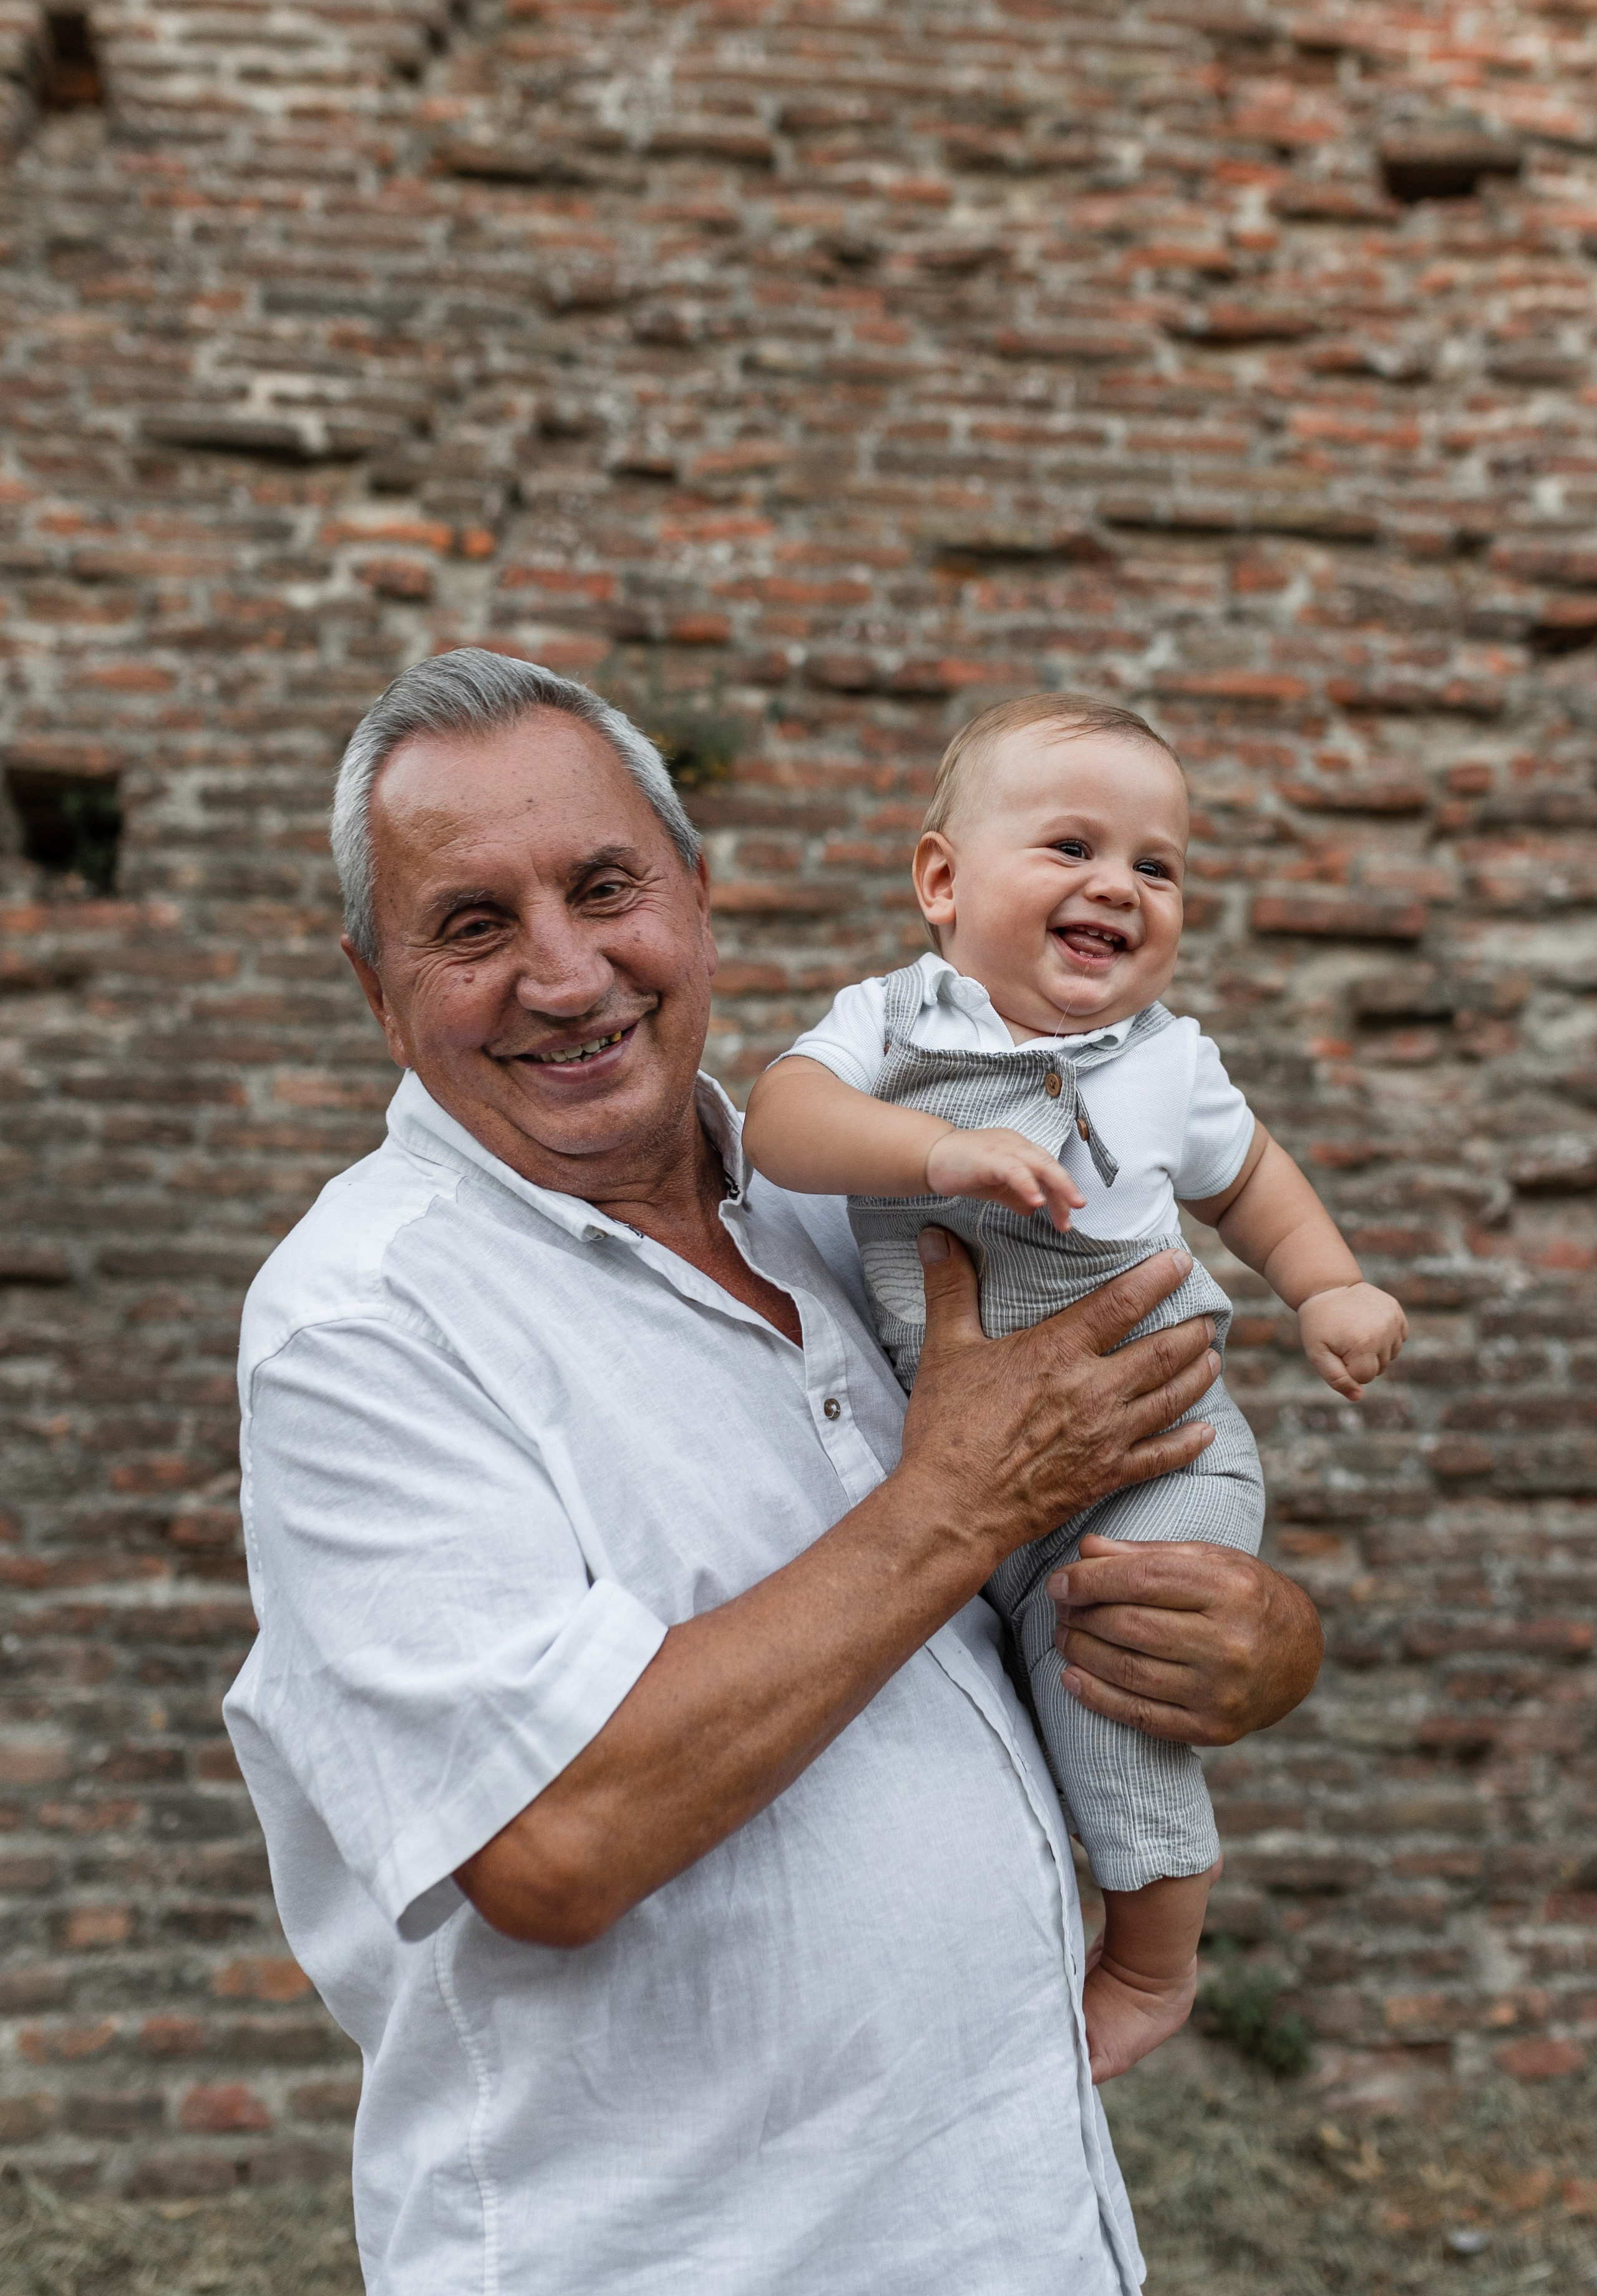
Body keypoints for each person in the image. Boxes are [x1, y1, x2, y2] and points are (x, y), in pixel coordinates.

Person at [223, 650, 1324, 2296]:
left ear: (699, 901)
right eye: (472, 927)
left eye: (608, 889)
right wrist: (960, 1502)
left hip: (1023, 2240)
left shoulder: (861, 1214)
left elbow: (1106, 1514)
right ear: (377, 988)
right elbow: (552, 1843)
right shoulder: (364, 1324)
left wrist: (1253, 1643)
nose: (565, 971)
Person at [742, 694, 1405, 2087]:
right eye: (1067, 847)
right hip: (977, 1464)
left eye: (1154, 867)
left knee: (1115, 1686)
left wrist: (1327, 1285)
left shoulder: (1173, 1057)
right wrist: (930, 1154)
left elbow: (1254, 1186)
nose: (1117, 884)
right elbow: (784, 1128)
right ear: (940, 882)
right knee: (1022, 1692)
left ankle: (1154, 1965)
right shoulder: (888, 1020)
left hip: (1163, 1442)